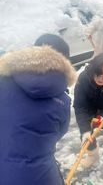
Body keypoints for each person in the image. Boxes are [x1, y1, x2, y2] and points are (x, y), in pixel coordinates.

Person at [0, 34, 76, 185]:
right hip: (44, 176)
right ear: (64, 62)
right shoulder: (63, 100)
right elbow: (59, 133)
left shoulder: (3, 81)